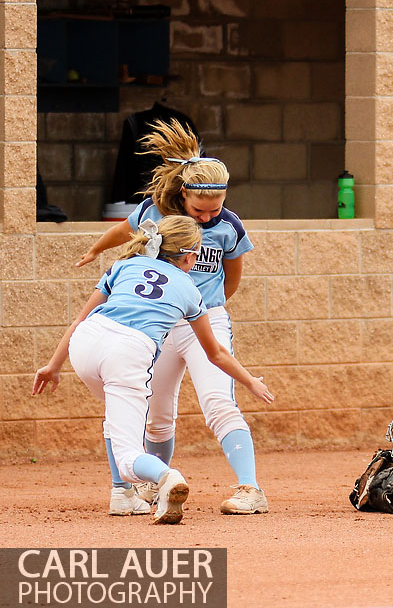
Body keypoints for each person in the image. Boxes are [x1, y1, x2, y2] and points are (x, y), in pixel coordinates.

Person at [76, 120, 268, 516]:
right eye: (200, 208)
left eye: (215, 207)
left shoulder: (228, 225)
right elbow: (126, 234)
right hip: (159, 326)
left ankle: (251, 489)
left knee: (218, 401)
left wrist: (204, 308)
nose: (207, 216)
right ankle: (149, 487)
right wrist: (95, 250)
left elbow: (232, 280)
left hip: (204, 318)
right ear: (183, 194)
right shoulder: (156, 213)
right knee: (156, 414)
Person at [33, 216, 274, 524]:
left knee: (116, 416)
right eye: (196, 254)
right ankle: (166, 476)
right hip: (127, 352)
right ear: (188, 257)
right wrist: (250, 380)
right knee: (129, 457)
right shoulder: (188, 288)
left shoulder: (124, 265)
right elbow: (215, 353)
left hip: (86, 342)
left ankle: (123, 495)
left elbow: (80, 320)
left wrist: (54, 366)